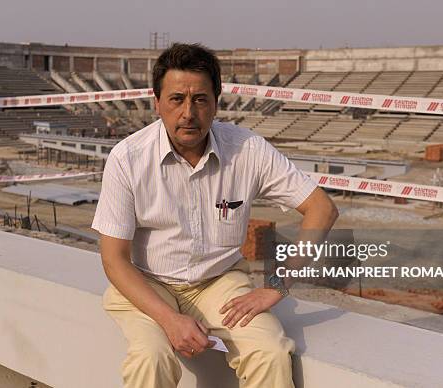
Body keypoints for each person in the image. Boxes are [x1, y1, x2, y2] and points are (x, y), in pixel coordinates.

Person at [92, 43, 338, 388]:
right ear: (157, 103)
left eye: (200, 99)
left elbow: (322, 208)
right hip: (149, 283)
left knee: (270, 352)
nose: (188, 113)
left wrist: (277, 286)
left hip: (219, 283)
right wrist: (169, 319)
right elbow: (114, 260)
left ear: (216, 102)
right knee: (151, 358)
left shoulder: (247, 150)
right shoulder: (128, 158)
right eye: (177, 99)